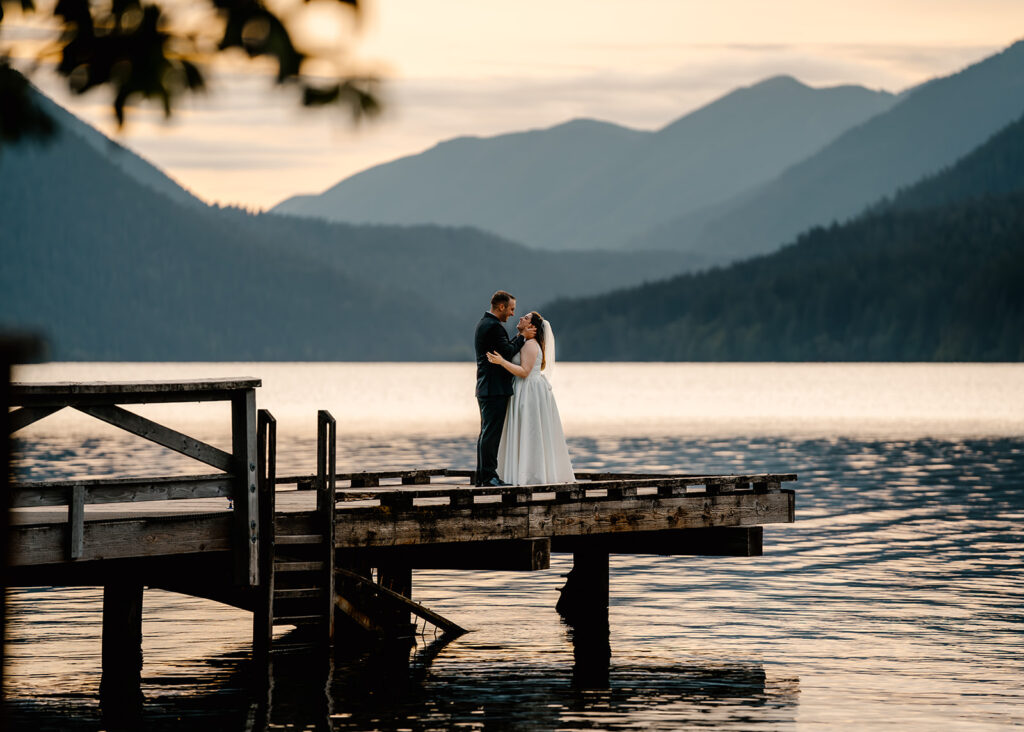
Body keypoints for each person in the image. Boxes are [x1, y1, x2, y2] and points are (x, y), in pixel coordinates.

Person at [486, 311, 575, 485]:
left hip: (528, 391)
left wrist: (502, 362)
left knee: (530, 430)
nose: (520, 318)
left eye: (525, 318)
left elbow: (525, 372)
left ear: (532, 327)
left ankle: (530, 475)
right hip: (525, 388)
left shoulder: (530, 345)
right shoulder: (525, 342)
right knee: (529, 430)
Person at [475, 291, 535, 486]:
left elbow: (503, 350)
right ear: (501, 307)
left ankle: (483, 477)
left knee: (486, 433)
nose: (511, 313)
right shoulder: (493, 327)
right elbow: (507, 352)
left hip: (487, 388)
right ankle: (489, 477)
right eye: (511, 309)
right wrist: (522, 336)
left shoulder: (486, 324)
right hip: (494, 389)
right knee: (490, 435)